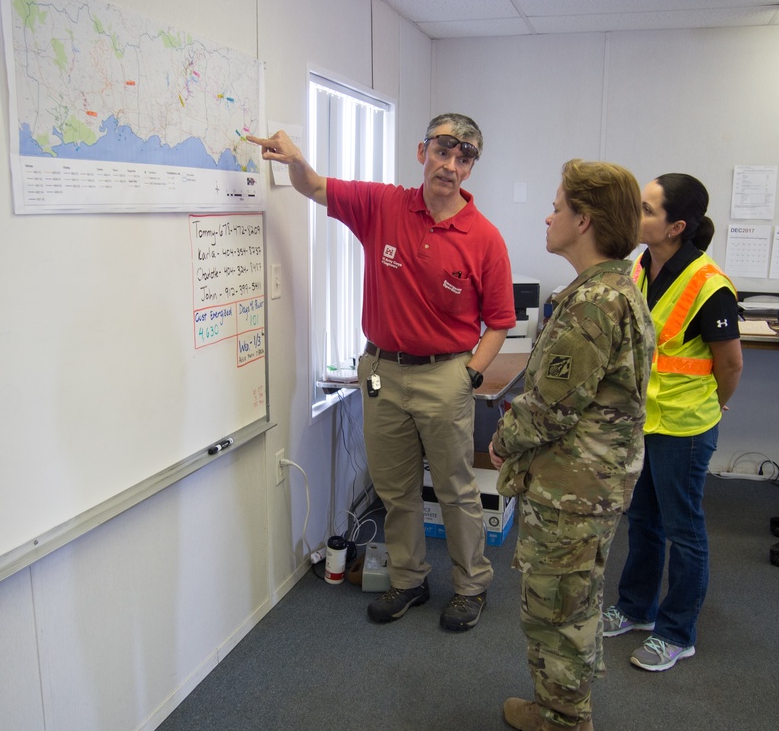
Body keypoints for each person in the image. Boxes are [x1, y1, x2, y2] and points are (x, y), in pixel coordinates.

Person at [250, 115, 515, 631]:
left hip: (445, 375)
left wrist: (471, 375)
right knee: (395, 489)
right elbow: (314, 186)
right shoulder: (382, 204)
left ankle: (470, 587)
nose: (451, 165)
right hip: (379, 371)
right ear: (423, 152)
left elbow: (500, 321)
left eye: (464, 158)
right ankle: (409, 579)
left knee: (456, 490)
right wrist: (298, 160)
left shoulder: (484, 237)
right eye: (443, 152)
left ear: (470, 167)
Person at [489, 159, 655, 731]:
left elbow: (552, 407)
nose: (548, 215)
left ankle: (563, 719)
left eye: (557, 206)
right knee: (572, 602)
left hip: (572, 488)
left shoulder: (591, 304)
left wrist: (504, 440)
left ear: (583, 220)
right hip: (592, 483)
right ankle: (560, 708)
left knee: (557, 610)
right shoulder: (620, 289)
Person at [602, 173, 743, 672]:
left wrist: (715, 408)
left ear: (676, 225)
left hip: (684, 429)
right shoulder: (641, 264)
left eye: (646, 209)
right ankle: (636, 608)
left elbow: (731, 366)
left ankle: (677, 632)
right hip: (641, 423)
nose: (636, 215)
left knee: (684, 531)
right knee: (642, 520)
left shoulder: (709, 286)